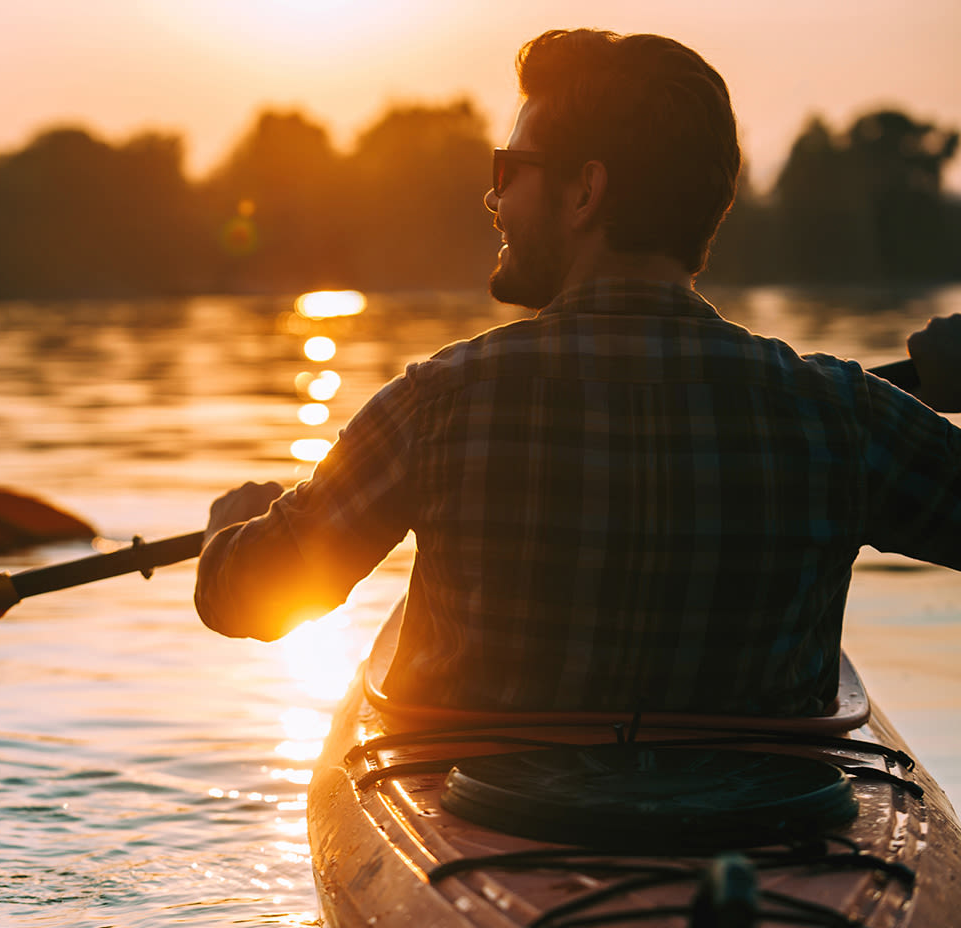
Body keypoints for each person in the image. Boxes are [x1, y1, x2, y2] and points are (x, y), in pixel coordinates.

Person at [194, 29, 961, 717]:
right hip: (766, 833)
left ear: (585, 190)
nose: (494, 197)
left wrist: (232, 529)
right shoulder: (843, 415)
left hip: (503, 829)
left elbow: (247, 600)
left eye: (511, 168)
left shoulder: (437, 406)